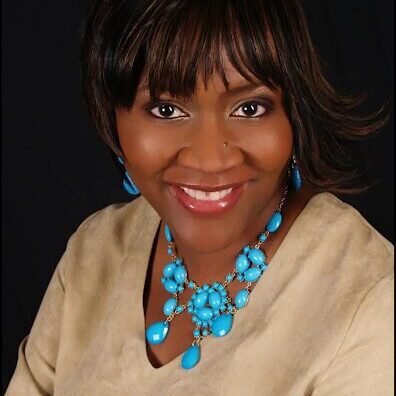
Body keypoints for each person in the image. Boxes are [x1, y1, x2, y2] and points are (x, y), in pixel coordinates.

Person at [6, 0, 393, 395]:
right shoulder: (93, 252)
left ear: (295, 114)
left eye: (250, 107)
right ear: (113, 119)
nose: (211, 159)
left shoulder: (370, 300)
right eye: (167, 109)